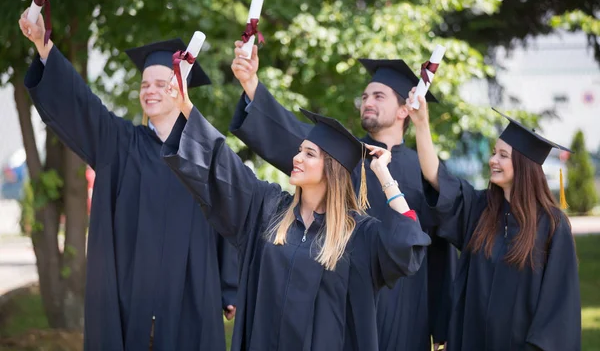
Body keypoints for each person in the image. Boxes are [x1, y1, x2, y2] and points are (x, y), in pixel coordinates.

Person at [18, 10, 237, 351]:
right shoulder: (119, 144)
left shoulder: (205, 153)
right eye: (144, 84)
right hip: (125, 307)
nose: (149, 91)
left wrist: (230, 287)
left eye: (160, 84)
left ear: (180, 90)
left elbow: (228, 220)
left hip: (188, 305)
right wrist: (43, 46)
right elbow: (81, 105)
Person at [160, 77, 432, 350]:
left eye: (309, 153)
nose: (297, 158)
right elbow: (222, 165)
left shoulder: (360, 235)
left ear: (332, 170)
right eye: (299, 151)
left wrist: (384, 174)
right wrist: (186, 107)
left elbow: (407, 247)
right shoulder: (268, 209)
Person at [228, 42, 456, 350]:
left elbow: (439, 247)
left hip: (405, 308)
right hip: (345, 297)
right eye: (364, 96)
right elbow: (288, 132)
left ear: (405, 108)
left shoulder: (422, 169)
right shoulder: (341, 156)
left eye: (379, 96)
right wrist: (251, 83)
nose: (367, 102)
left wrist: (441, 322)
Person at [407, 89, 582, 350]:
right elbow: (438, 179)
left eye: (502, 155)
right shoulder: (481, 209)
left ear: (523, 165)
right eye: (493, 152)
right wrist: (421, 124)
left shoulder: (551, 226)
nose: (492, 161)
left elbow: (559, 304)